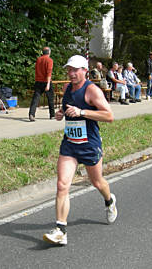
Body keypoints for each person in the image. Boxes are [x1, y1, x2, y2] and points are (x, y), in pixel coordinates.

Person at [43, 55, 117, 245]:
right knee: (62, 185)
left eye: (76, 70)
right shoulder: (67, 88)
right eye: (69, 69)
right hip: (70, 143)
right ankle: (61, 230)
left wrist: (82, 112)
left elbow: (109, 115)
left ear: (85, 70)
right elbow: (67, 110)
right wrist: (61, 114)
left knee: (97, 182)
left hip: (89, 144)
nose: (72, 73)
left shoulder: (92, 90)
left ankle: (109, 201)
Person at [29, 47, 55, 121]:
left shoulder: (38, 59)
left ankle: (32, 114)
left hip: (38, 81)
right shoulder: (49, 60)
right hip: (46, 81)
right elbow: (49, 72)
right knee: (50, 98)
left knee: (35, 99)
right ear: (49, 52)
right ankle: (52, 115)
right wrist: (48, 84)